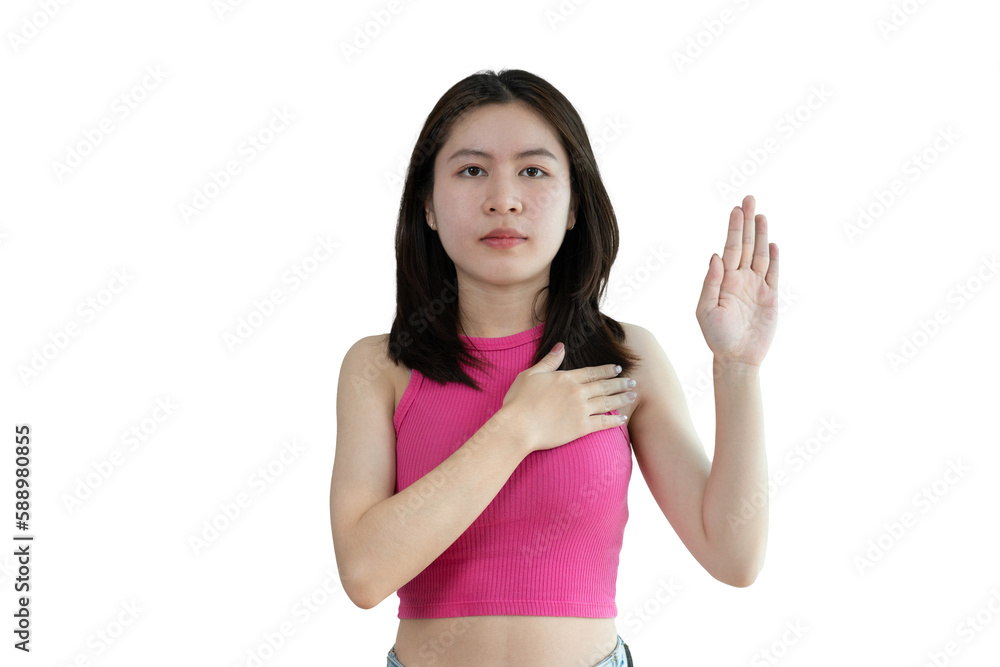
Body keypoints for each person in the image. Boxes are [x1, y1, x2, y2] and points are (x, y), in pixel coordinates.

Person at [329, 68, 780, 667]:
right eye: (471, 170)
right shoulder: (380, 366)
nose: (503, 199)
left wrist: (737, 368)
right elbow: (364, 574)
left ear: (574, 207)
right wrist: (517, 428)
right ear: (428, 206)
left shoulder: (625, 358)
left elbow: (733, 556)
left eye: (534, 171)